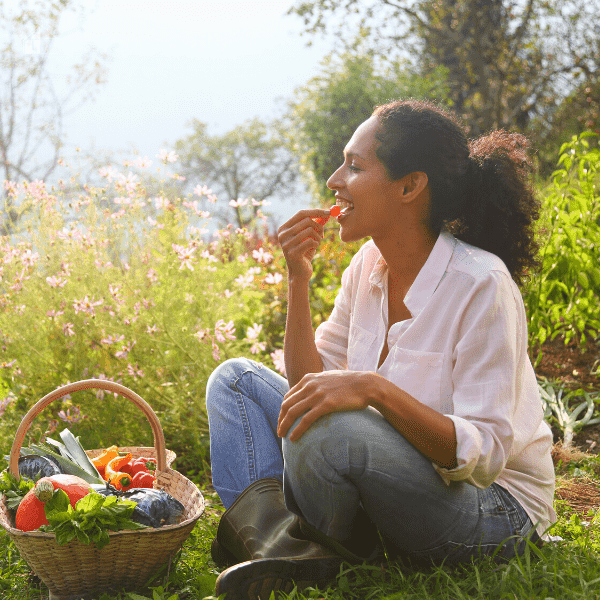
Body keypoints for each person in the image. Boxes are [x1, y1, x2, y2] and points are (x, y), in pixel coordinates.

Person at [206, 99, 556, 599]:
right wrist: (297, 281)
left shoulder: (482, 286)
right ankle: (286, 553)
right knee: (235, 381)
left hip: (490, 509)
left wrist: (372, 388)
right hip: (395, 484)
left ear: (410, 186)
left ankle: (312, 551)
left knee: (332, 427)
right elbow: (308, 387)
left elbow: (485, 458)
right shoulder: (368, 265)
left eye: (355, 166)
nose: (334, 180)